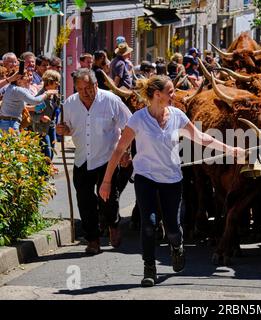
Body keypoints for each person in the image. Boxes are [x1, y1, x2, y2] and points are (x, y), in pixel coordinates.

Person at [99, 75, 244, 287]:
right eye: (171, 92)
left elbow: (202, 137)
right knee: (148, 225)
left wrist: (230, 149)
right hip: (145, 178)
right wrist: (106, 181)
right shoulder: (138, 119)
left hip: (172, 179)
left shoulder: (178, 116)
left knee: (173, 227)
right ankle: (149, 269)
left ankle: (177, 246)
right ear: (157, 95)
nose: (174, 95)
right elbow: (119, 149)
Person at [56, 68, 132, 254]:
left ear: (96, 84)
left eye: (89, 88)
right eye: (80, 89)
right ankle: (93, 240)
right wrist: (62, 130)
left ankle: (113, 224)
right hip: (82, 159)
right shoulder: (70, 104)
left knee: (107, 199)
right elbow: (64, 128)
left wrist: (126, 151)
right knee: (84, 200)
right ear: (75, 88)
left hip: (107, 158)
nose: (85, 93)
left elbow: (130, 126)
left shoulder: (111, 100)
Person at [31, 70, 61, 159]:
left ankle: (46, 172)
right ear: (49, 81)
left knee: (51, 154)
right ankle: (43, 173)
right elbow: (31, 114)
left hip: (51, 127)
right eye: (56, 81)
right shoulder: (40, 96)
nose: (58, 84)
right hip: (41, 129)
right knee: (46, 154)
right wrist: (40, 117)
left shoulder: (55, 95)